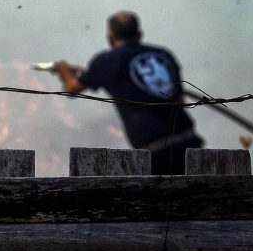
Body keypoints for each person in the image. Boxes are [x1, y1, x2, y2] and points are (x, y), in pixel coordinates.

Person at [55, 11, 204, 175]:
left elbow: (71, 89)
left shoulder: (107, 61)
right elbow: (179, 99)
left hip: (157, 153)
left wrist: (64, 71)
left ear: (110, 37)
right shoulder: (163, 55)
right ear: (139, 34)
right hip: (190, 142)